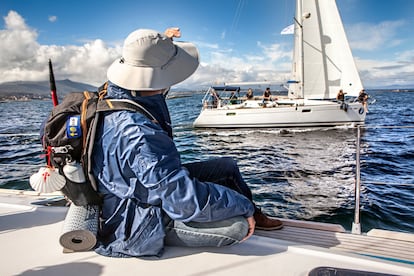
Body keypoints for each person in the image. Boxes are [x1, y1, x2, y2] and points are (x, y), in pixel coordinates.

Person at [92, 27, 283, 258]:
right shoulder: (139, 133)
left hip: (143, 188)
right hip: (140, 219)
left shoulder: (119, 93)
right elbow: (183, 200)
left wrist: (161, 44)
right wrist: (241, 205)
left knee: (227, 166)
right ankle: (249, 212)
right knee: (237, 227)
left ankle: (253, 213)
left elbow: (144, 66)